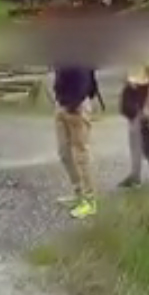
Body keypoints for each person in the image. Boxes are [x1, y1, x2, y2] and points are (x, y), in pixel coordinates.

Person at [51, 58, 102, 218]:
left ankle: (89, 200)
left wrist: (74, 104)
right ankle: (78, 194)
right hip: (62, 103)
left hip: (76, 105)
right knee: (64, 153)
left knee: (81, 154)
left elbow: (85, 77)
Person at [119, 57, 149, 187]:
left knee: (136, 135)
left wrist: (147, 106)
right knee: (143, 135)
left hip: (143, 93)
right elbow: (126, 71)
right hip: (131, 91)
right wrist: (127, 81)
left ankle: (136, 176)